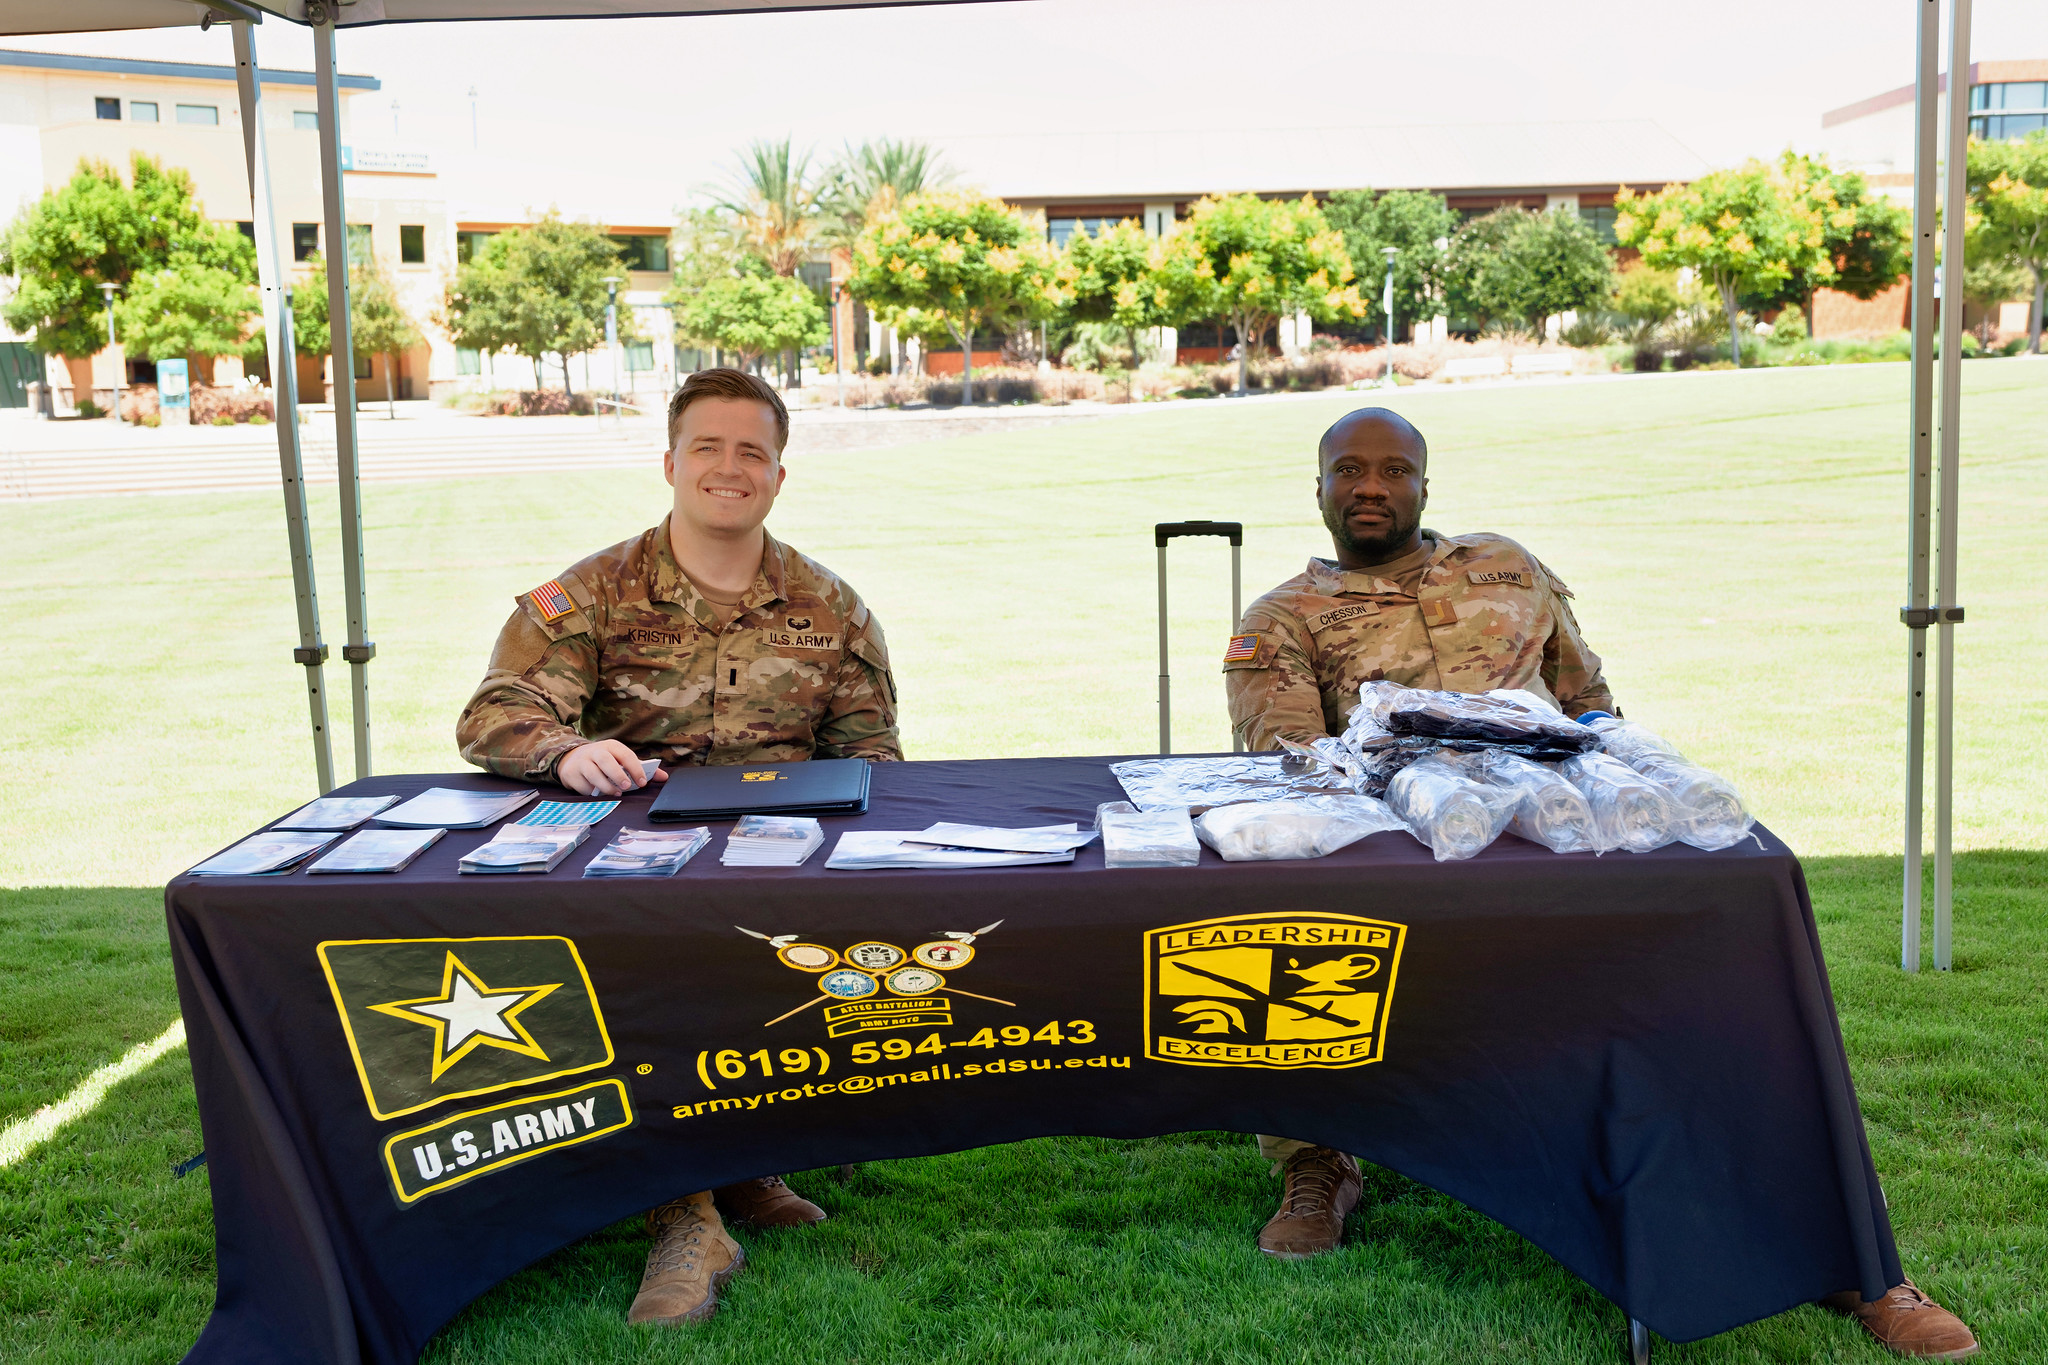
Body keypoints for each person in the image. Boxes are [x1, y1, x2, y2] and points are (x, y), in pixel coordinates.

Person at [1220, 407, 1978, 1361]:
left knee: (1741, 967)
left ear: (1424, 484)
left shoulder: (1508, 566)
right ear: (1319, 487)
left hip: (1567, 844)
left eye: (1395, 470)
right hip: (1412, 863)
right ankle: (1320, 1160)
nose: (1371, 487)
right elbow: (1303, 771)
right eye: (1349, 471)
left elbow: (1591, 706)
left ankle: (1840, 1249)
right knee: (1290, 929)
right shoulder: (1282, 617)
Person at [455, 367, 900, 1327]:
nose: (728, 468)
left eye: (752, 452)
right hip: (628, 882)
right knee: (651, 973)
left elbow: (874, 756)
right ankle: (686, 1212)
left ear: (780, 475)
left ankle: (740, 1165)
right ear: (669, 461)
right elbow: (498, 712)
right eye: (708, 446)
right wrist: (567, 752)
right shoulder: (592, 592)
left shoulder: (834, 608)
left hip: (775, 875)